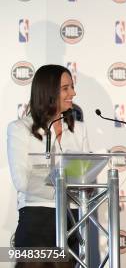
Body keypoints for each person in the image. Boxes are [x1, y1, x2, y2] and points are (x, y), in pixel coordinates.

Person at [7, 64, 89, 267]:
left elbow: (85, 179)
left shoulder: (79, 130)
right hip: (37, 221)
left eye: (72, 87)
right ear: (48, 92)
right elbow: (22, 182)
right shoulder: (19, 129)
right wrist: (62, 187)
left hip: (72, 221)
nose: (73, 93)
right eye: (66, 88)